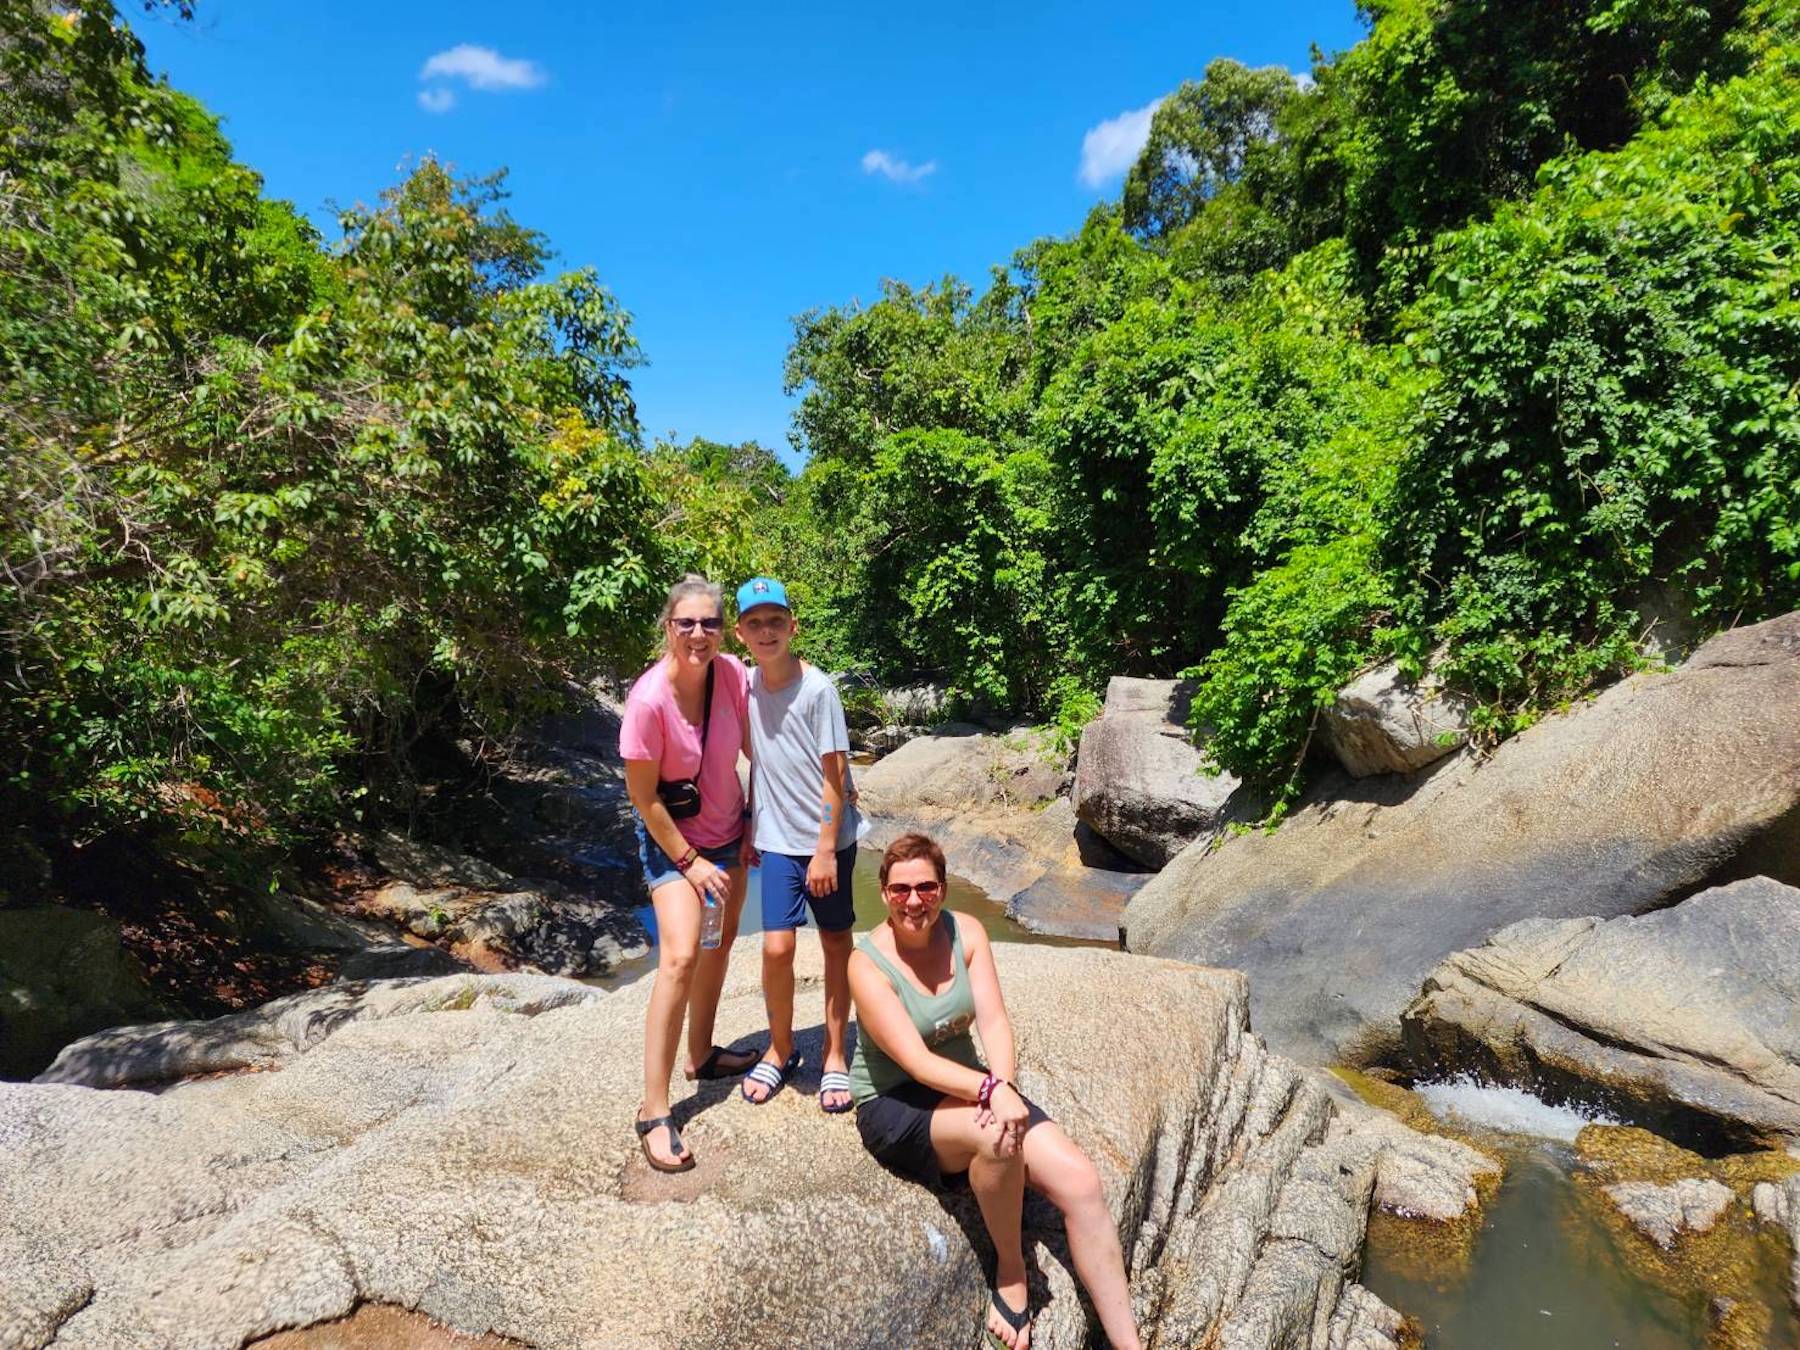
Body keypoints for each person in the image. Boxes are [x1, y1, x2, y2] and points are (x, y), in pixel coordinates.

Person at [848, 834, 1143, 1350]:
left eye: (925, 887)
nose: (913, 901)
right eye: (900, 890)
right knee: (999, 1141)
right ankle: (1012, 1272)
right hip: (898, 1101)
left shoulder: (967, 932)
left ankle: (1129, 1345)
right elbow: (915, 1063)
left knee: (1081, 1181)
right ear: (884, 892)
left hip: (968, 1086)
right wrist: (990, 1089)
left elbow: (995, 1021)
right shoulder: (867, 964)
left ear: (942, 888)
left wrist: (1002, 1085)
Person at [621, 574, 758, 1172]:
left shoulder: (730, 674)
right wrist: (690, 862)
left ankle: (700, 1053)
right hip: (672, 843)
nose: (698, 634)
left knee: (720, 943)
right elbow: (643, 798)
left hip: (729, 833)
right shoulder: (648, 699)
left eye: (709, 623)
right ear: (668, 627)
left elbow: (758, 748)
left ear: (721, 629)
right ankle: (654, 1110)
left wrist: (759, 819)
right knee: (679, 956)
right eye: (686, 624)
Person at [734, 575, 867, 1111]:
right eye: (753, 623)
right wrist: (748, 823)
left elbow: (834, 776)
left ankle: (835, 1054)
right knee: (776, 947)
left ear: (792, 626)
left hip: (824, 839)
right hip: (775, 838)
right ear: (740, 634)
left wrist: (825, 849)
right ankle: (781, 1047)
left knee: (836, 941)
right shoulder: (744, 687)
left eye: (774, 621)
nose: (766, 631)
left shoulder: (818, 689)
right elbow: (759, 764)